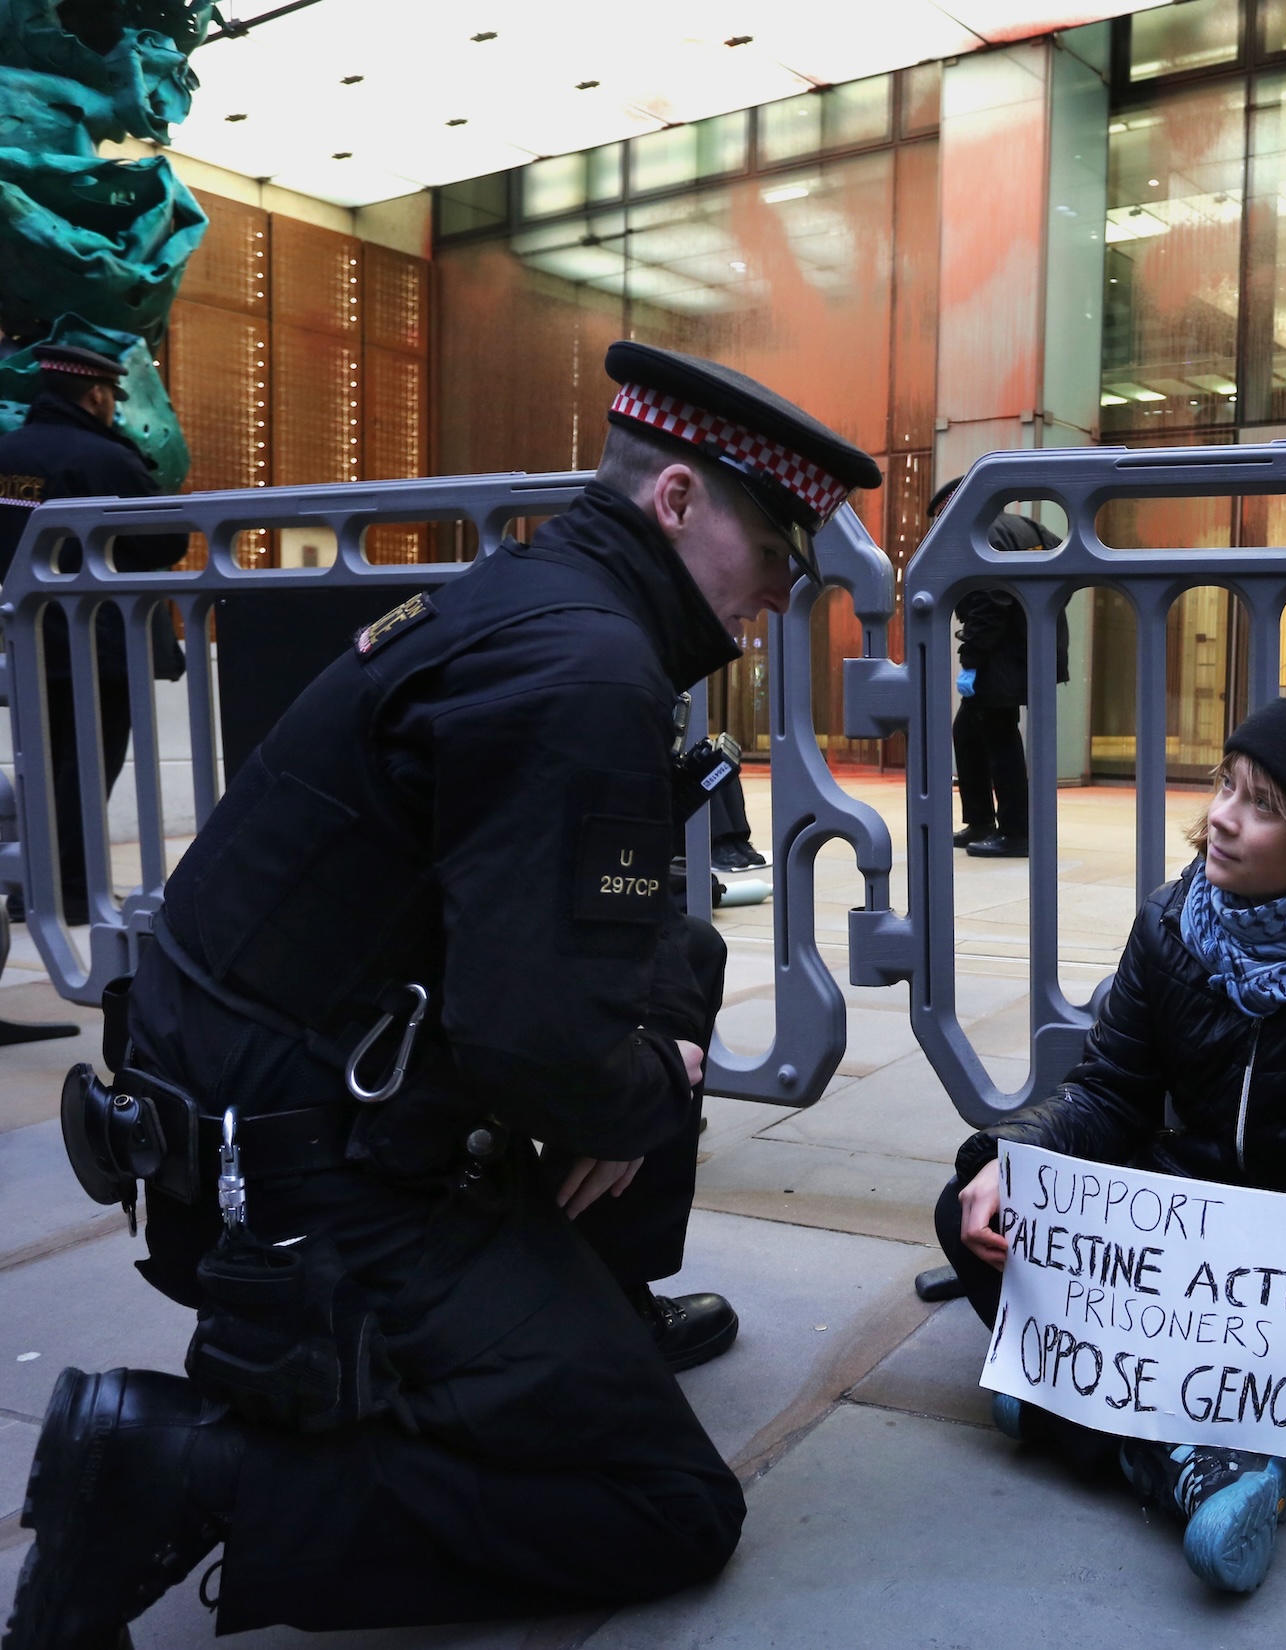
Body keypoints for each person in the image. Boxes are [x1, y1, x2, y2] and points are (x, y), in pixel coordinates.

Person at [3, 343, 881, 1644]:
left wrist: (627, 1061)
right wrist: (646, 1086)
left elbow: (600, 937)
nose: (779, 592)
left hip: (260, 1105)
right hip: (309, 1183)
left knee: (675, 967)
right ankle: (189, 1469)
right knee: (665, 1504)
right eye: (772, 550)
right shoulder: (585, 668)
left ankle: (585, 1317)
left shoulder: (535, 600)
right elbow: (536, 1046)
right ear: (678, 501)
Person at [934, 692, 1286, 1594]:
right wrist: (1016, 1160)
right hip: (1182, 1247)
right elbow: (1108, 1090)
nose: (1221, 817)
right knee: (972, 1212)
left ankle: (1095, 1416)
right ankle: (1213, 1451)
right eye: (1226, 786)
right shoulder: (1171, 923)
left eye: (1263, 804)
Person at [0, 342, 189, 929]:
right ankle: (74, 892)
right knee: (86, 769)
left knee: (39, 765)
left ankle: (32, 888)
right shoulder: (105, 459)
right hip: (97, 641)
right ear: (98, 395)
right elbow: (166, 541)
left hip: (26, 637)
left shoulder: (8, 453)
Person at [929, 476, 1068, 859]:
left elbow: (990, 600)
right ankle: (980, 821)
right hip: (1031, 646)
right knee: (969, 730)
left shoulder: (983, 533)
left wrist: (971, 660)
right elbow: (1064, 568)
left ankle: (1016, 831)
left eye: (941, 515)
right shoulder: (1024, 527)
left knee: (999, 734)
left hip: (1002, 653)